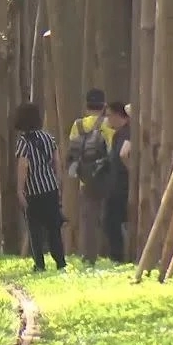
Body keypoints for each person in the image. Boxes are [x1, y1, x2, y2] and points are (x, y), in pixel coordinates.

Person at [14, 102, 67, 272]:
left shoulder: (22, 142)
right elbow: (57, 162)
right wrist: (57, 183)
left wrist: (20, 190)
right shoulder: (48, 137)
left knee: (35, 229)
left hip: (33, 191)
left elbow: (23, 166)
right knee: (54, 228)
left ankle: (40, 264)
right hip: (50, 187)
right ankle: (60, 262)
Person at [67, 88, 115, 266]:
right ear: (104, 106)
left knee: (88, 221)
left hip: (85, 180)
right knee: (109, 218)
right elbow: (111, 149)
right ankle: (112, 254)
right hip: (106, 178)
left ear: (86, 107)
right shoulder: (108, 124)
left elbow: (73, 153)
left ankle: (89, 256)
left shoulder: (78, 125)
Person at [104, 101, 131, 263]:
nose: (108, 120)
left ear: (116, 115)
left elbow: (123, 154)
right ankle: (117, 255)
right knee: (113, 221)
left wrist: (131, 172)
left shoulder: (128, 132)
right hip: (116, 184)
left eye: (109, 116)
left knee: (113, 221)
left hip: (121, 186)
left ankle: (118, 256)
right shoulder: (118, 134)